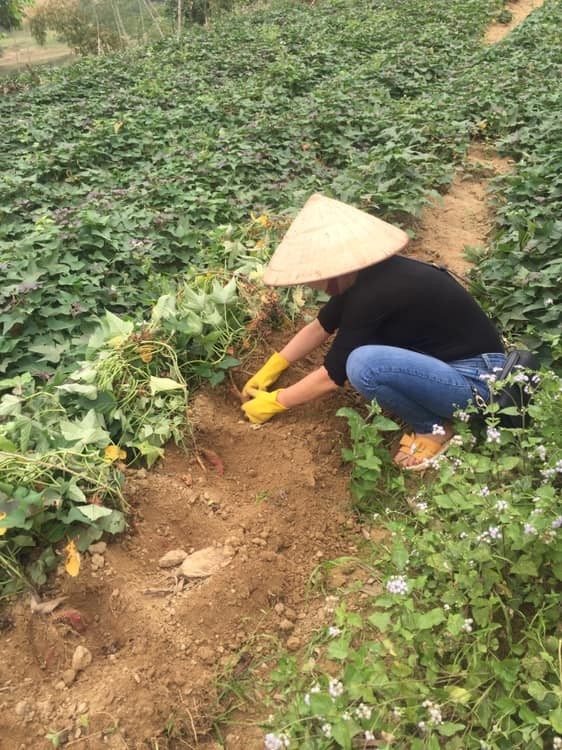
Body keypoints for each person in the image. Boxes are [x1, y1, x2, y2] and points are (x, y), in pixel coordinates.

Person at [240, 194, 506, 471]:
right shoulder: (367, 275)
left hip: (479, 381)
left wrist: (275, 402)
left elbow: (332, 377)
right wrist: (273, 367)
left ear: (337, 265)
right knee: (366, 351)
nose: (314, 284)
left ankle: (434, 429)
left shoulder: (375, 293)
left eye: (316, 275)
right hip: (456, 368)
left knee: (363, 365)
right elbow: (320, 327)